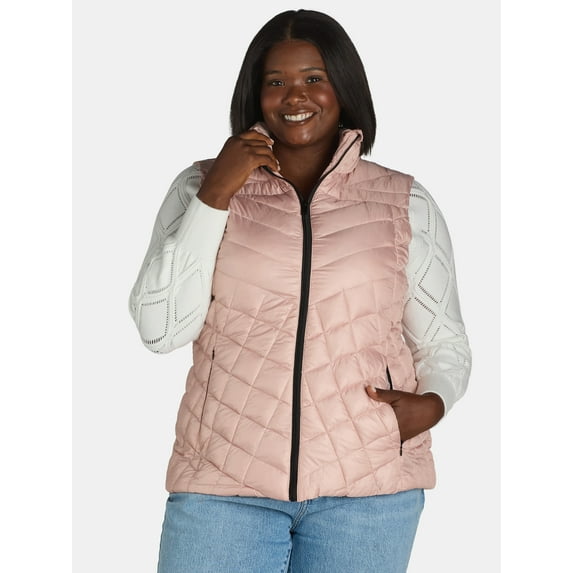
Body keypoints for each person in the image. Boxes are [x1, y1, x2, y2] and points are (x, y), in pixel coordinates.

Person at [129, 9, 471, 573]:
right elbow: (159, 329)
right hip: (223, 486)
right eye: (276, 81)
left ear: (344, 87)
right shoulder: (199, 187)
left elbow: (445, 341)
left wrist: (433, 402)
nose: (295, 96)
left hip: (368, 492)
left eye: (315, 77)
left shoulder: (403, 202)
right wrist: (216, 195)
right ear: (255, 93)